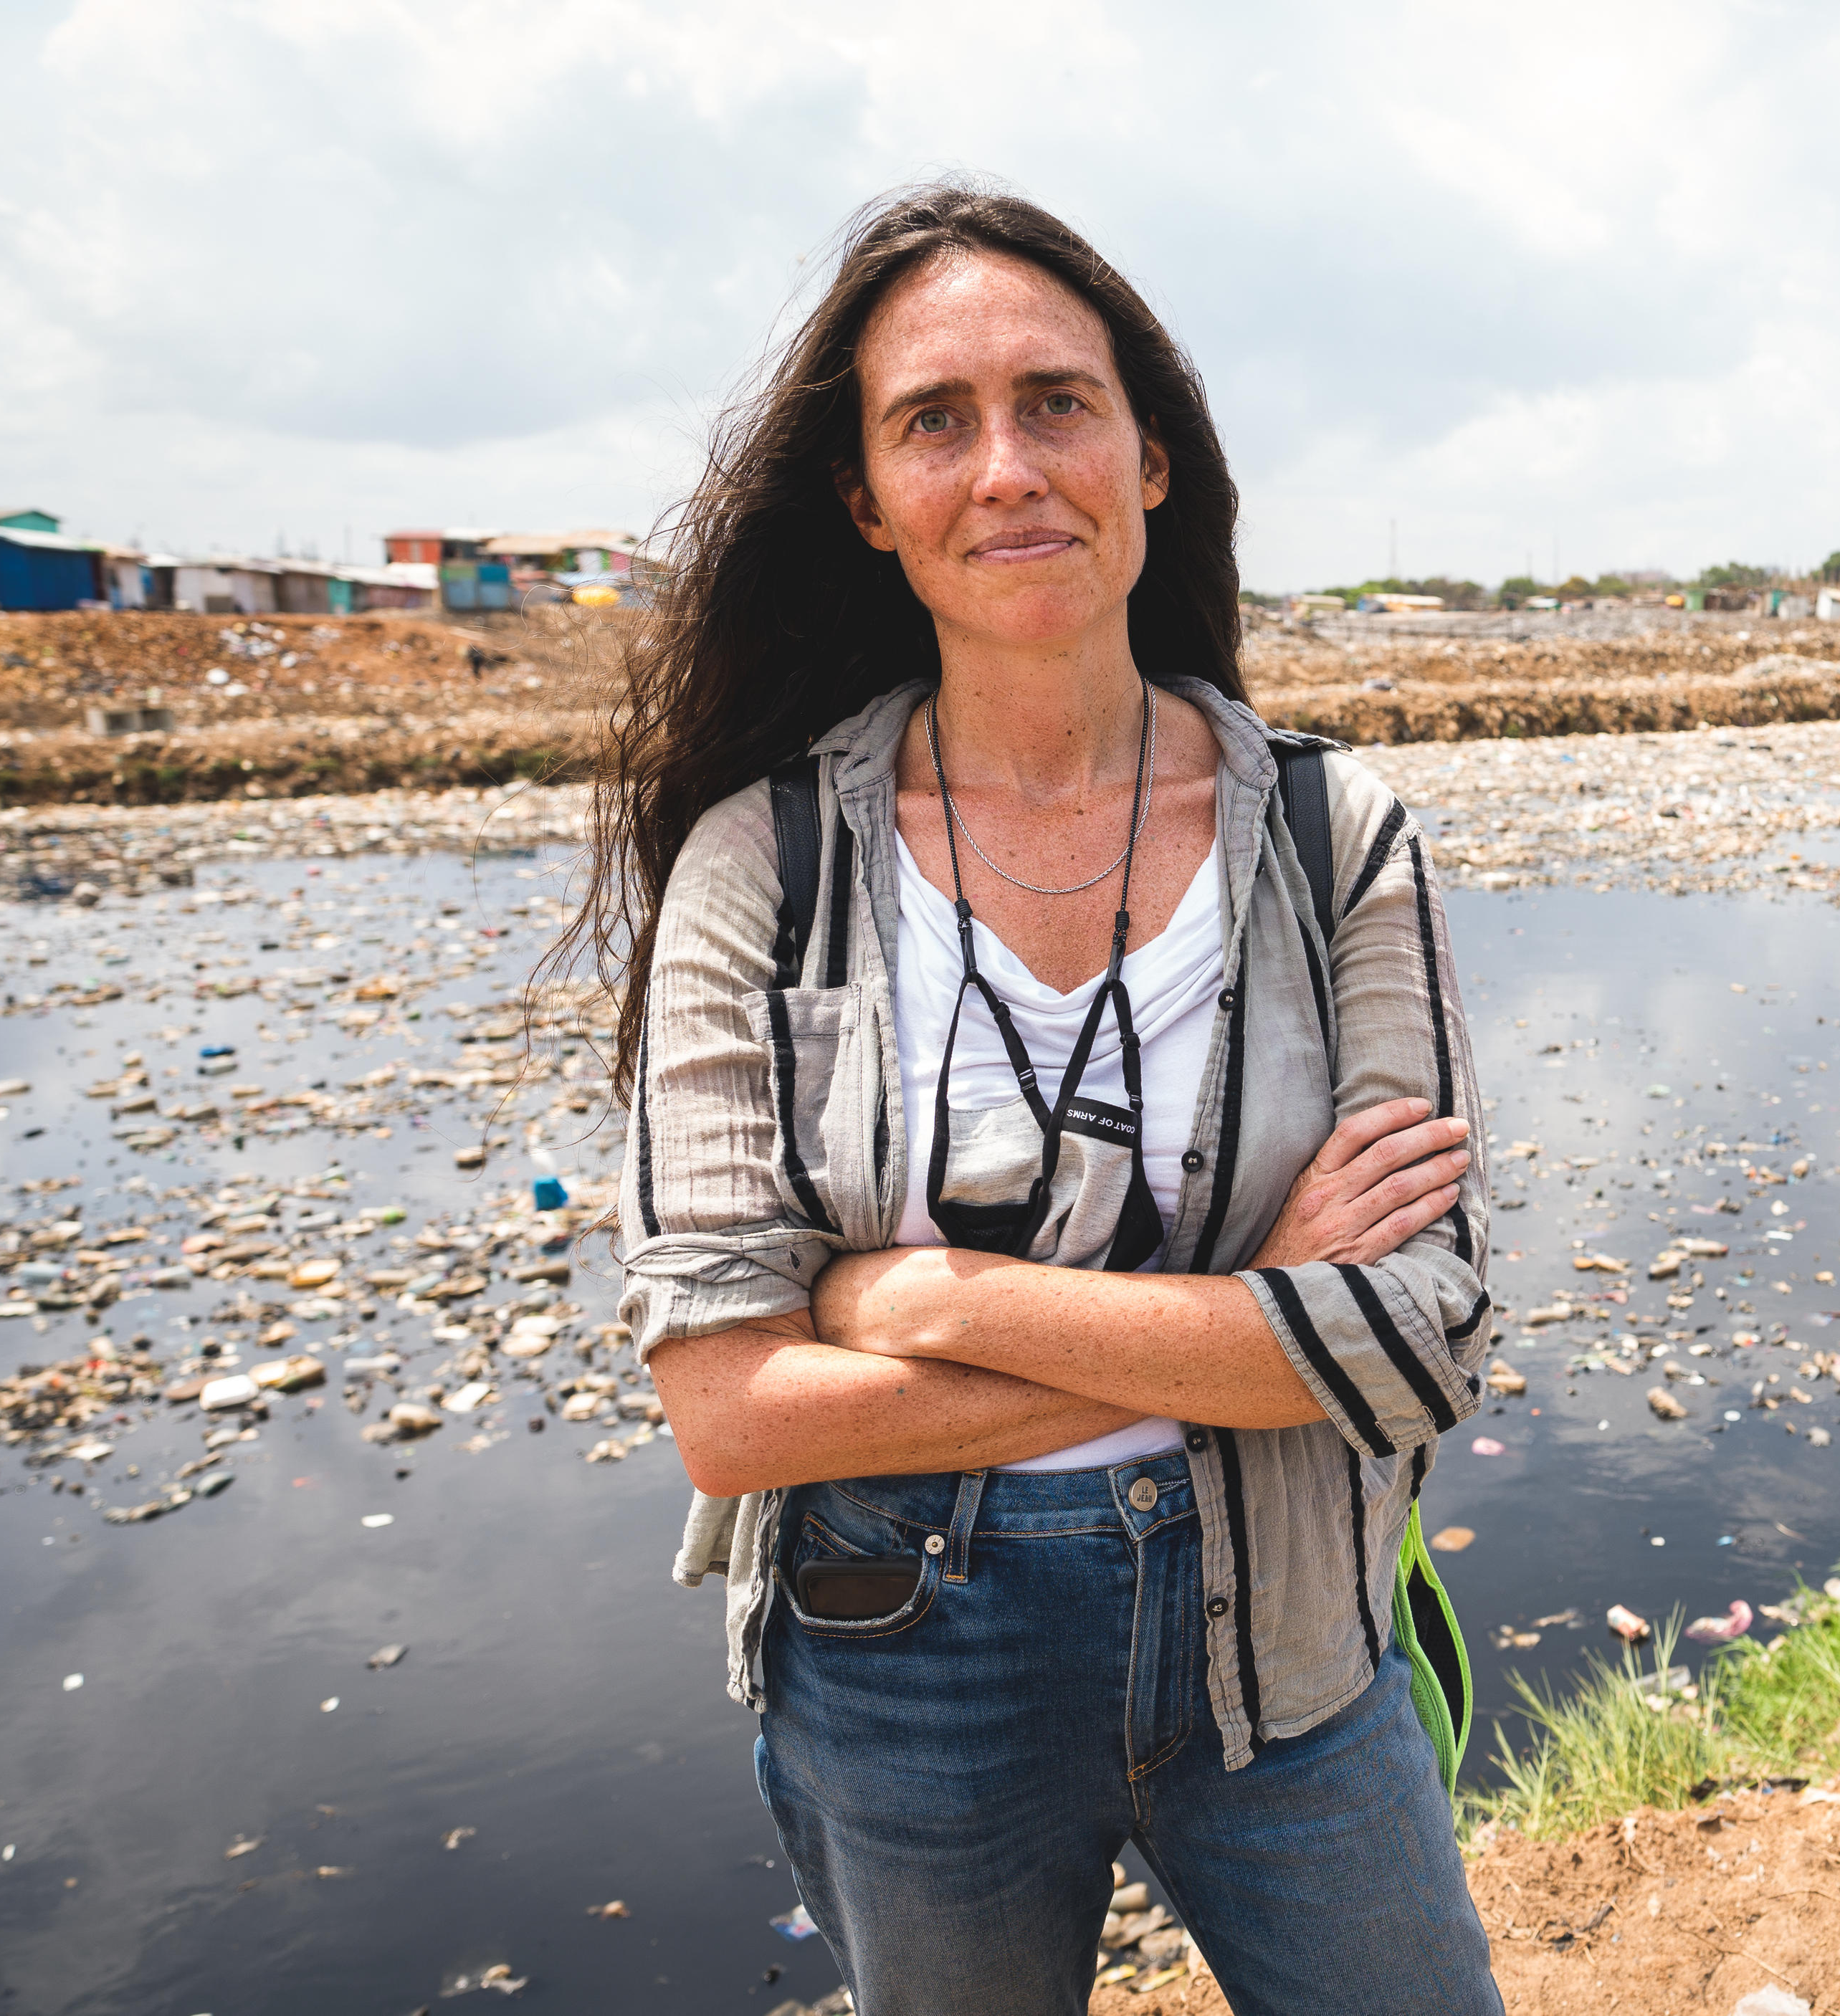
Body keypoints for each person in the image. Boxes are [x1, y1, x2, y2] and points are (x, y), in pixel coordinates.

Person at [583, 184, 1502, 2015]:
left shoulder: (1330, 841)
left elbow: (1419, 1338)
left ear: (1150, 460)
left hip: (1295, 1637)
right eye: (935, 419)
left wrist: (933, 1303)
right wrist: (1253, 1319)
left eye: (1058, 403)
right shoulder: (758, 865)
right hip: (905, 1663)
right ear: (866, 505)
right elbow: (731, 1412)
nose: (1007, 465)